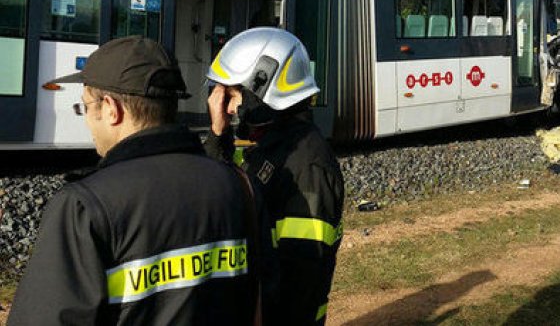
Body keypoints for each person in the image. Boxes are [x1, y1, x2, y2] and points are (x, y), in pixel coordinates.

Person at [9, 36, 265, 326]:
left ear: (111, 109)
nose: (88, 121)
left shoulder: (84, 205)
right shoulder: (240, 187)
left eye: (85, 107)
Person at [203, 27, 344, 325]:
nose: (225, 108)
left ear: (262, 89)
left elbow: (301, 279)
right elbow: (220, 194)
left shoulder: (308, 168)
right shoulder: (269, 147)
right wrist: (218, 136)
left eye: (230, 95)